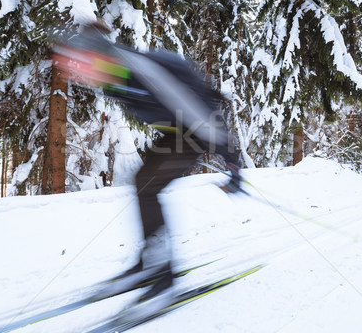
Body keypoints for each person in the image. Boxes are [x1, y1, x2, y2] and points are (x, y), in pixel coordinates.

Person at [52, 21, 242, 306]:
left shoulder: (140, 69)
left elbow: (198, 111)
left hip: (196, 126)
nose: (78, 74)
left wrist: (232, 162)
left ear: (99, 57)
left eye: (82, 65)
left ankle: (164, 278)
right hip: (177, 130)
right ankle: (148, 264)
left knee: (149, 185)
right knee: (144, 183)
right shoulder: (114, 74)